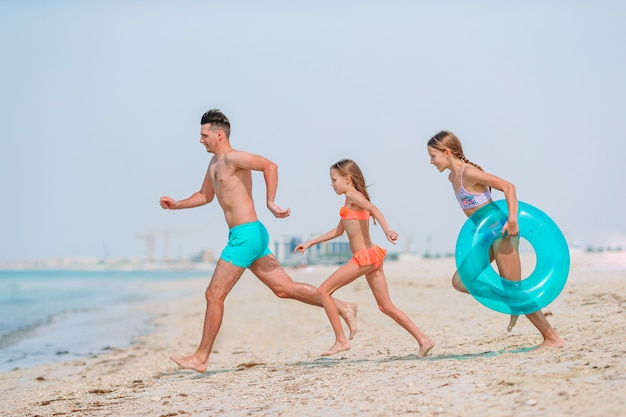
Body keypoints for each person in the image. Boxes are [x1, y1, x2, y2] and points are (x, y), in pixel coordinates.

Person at [160, 109, 358, 372]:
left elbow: (270, 166)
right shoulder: (214, 165)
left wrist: (270, 202)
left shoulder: (234, 158)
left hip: (246, 236)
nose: (201, 140)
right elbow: (204, 196)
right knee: (284, 288)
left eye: (204, 135)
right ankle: (343, 306)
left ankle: (201, 357)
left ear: (219, 135)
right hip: (248, 234)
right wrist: (177, 205)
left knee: (213, 295)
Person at [427, 130, 563, 350]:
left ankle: (552, 338)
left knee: (515, 289)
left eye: (433, 156)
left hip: (502, 234)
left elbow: (509, 187)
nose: (431, 162)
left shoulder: (468, 173)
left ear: (447, 152)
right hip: (485, 236)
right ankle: (512, 303)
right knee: (460, 281)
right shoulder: (452, 178)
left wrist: (512, 221)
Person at [294, 159, 435, 357]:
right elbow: (338, 231)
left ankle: (341, 341)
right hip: (372, 257)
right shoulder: (348, 200)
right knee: (386, 306)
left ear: (347, 179)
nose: (331, 184)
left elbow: (374, 209)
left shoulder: (353, 195)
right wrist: (310, 243)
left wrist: (387, 230)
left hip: (364, 258)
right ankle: (424, 340)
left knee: (323, 291)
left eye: (334, 180)